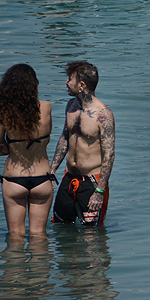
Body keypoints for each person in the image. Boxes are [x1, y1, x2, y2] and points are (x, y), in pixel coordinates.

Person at [0, 63, 54, 237]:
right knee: (39, 236)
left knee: (16, 237)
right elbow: (46, 140)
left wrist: (11, 148)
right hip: (42, 178)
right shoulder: (46, 107)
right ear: (34, 84)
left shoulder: (5, 113)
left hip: (14, 178)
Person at [50, 61, 115, 227]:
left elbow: (109, 153)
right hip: (69, 178)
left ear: (81, 85)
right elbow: (65, 137)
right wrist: (52, 171)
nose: (66, 82)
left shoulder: (103, 114)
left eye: (69, 78)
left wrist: (99, 191)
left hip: (92, 182)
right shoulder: (71, 106)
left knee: (91, 237)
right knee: (60, 228)